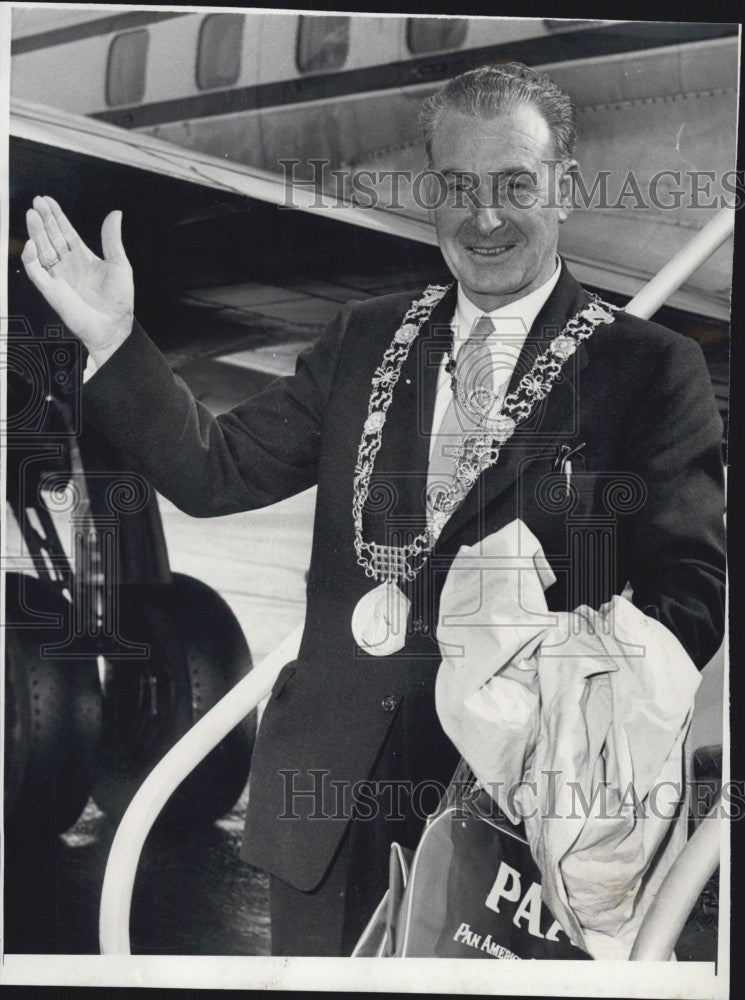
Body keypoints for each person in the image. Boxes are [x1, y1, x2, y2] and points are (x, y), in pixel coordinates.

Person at [21, 63, 725, 957]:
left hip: (514, 823)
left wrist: (554, 682)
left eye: (515, 185)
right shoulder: (365, 336)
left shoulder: (648, 367)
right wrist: (115, 343)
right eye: (458, 188)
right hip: (324, 813)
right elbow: (215, 470)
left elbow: (690, 597)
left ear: (566, 189)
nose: (485, 217)